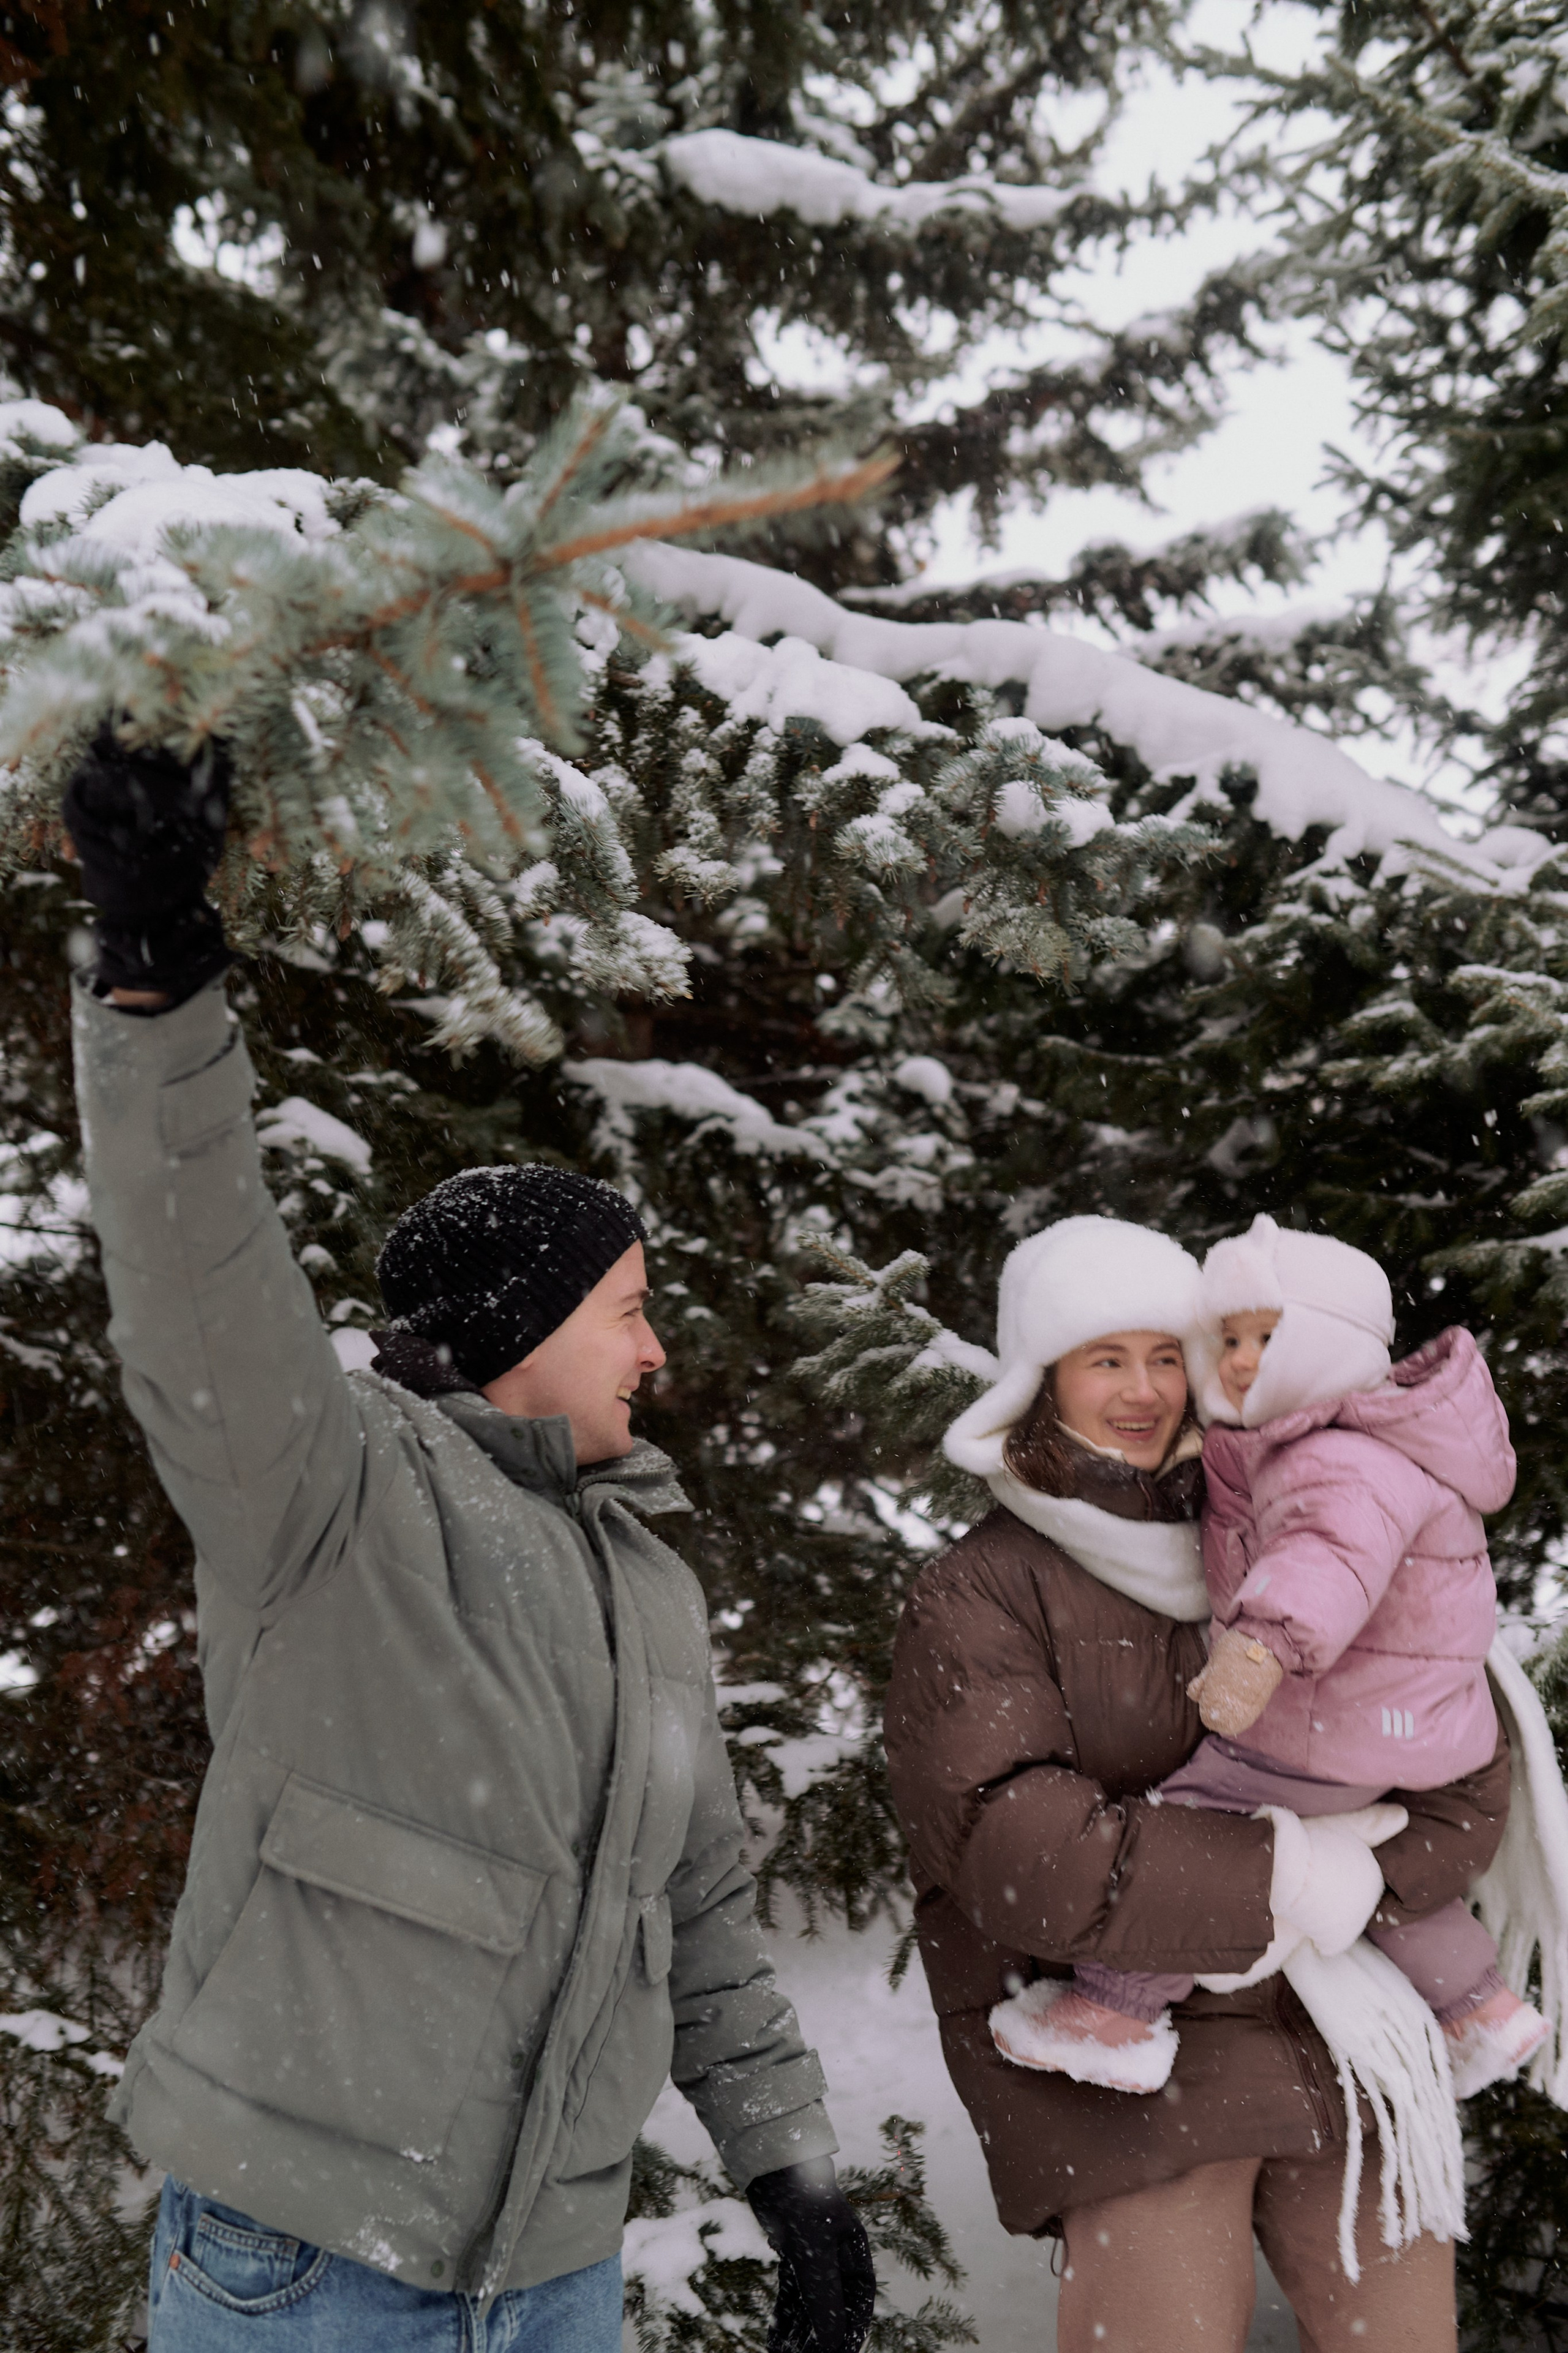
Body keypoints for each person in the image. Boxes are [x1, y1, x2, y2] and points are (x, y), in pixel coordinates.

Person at [61, 735, 875, 2352]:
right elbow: (196, 1286)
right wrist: (158, 987)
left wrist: (791, 2168)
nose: (657, 1356)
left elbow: (695, 1906)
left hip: (556, 2276)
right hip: (303, 2261)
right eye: (630, 1315)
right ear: (523, 1328)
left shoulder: (648, 1581)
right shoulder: (338, 1492)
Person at [884, 1213, 1513, 2353]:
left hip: (1346, 2039)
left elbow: (1464, 1783)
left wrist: (1355, 1884)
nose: (1143, 1389)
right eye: (1104, 1359)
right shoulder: (983, 1589)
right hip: (1128, 2068)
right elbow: (1012, 1850)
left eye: (1165, 1353)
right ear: (1043, 1380)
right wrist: (1284, 1873)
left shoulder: (1322, 1513)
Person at [992, 1213, 1547, 2098]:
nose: (1242, 1359)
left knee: (1194, 1824)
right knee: (1376, 1880)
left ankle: (1120, 2006)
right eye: (1232, 1338)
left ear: (1333, 1345)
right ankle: (1478, 2006)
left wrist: (1261, 1647)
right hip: (1403, 1724)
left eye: (1269, 1337)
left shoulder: (1332, 1456)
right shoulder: (1360, 1439)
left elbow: (1325, 1562)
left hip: (1330, 1719)